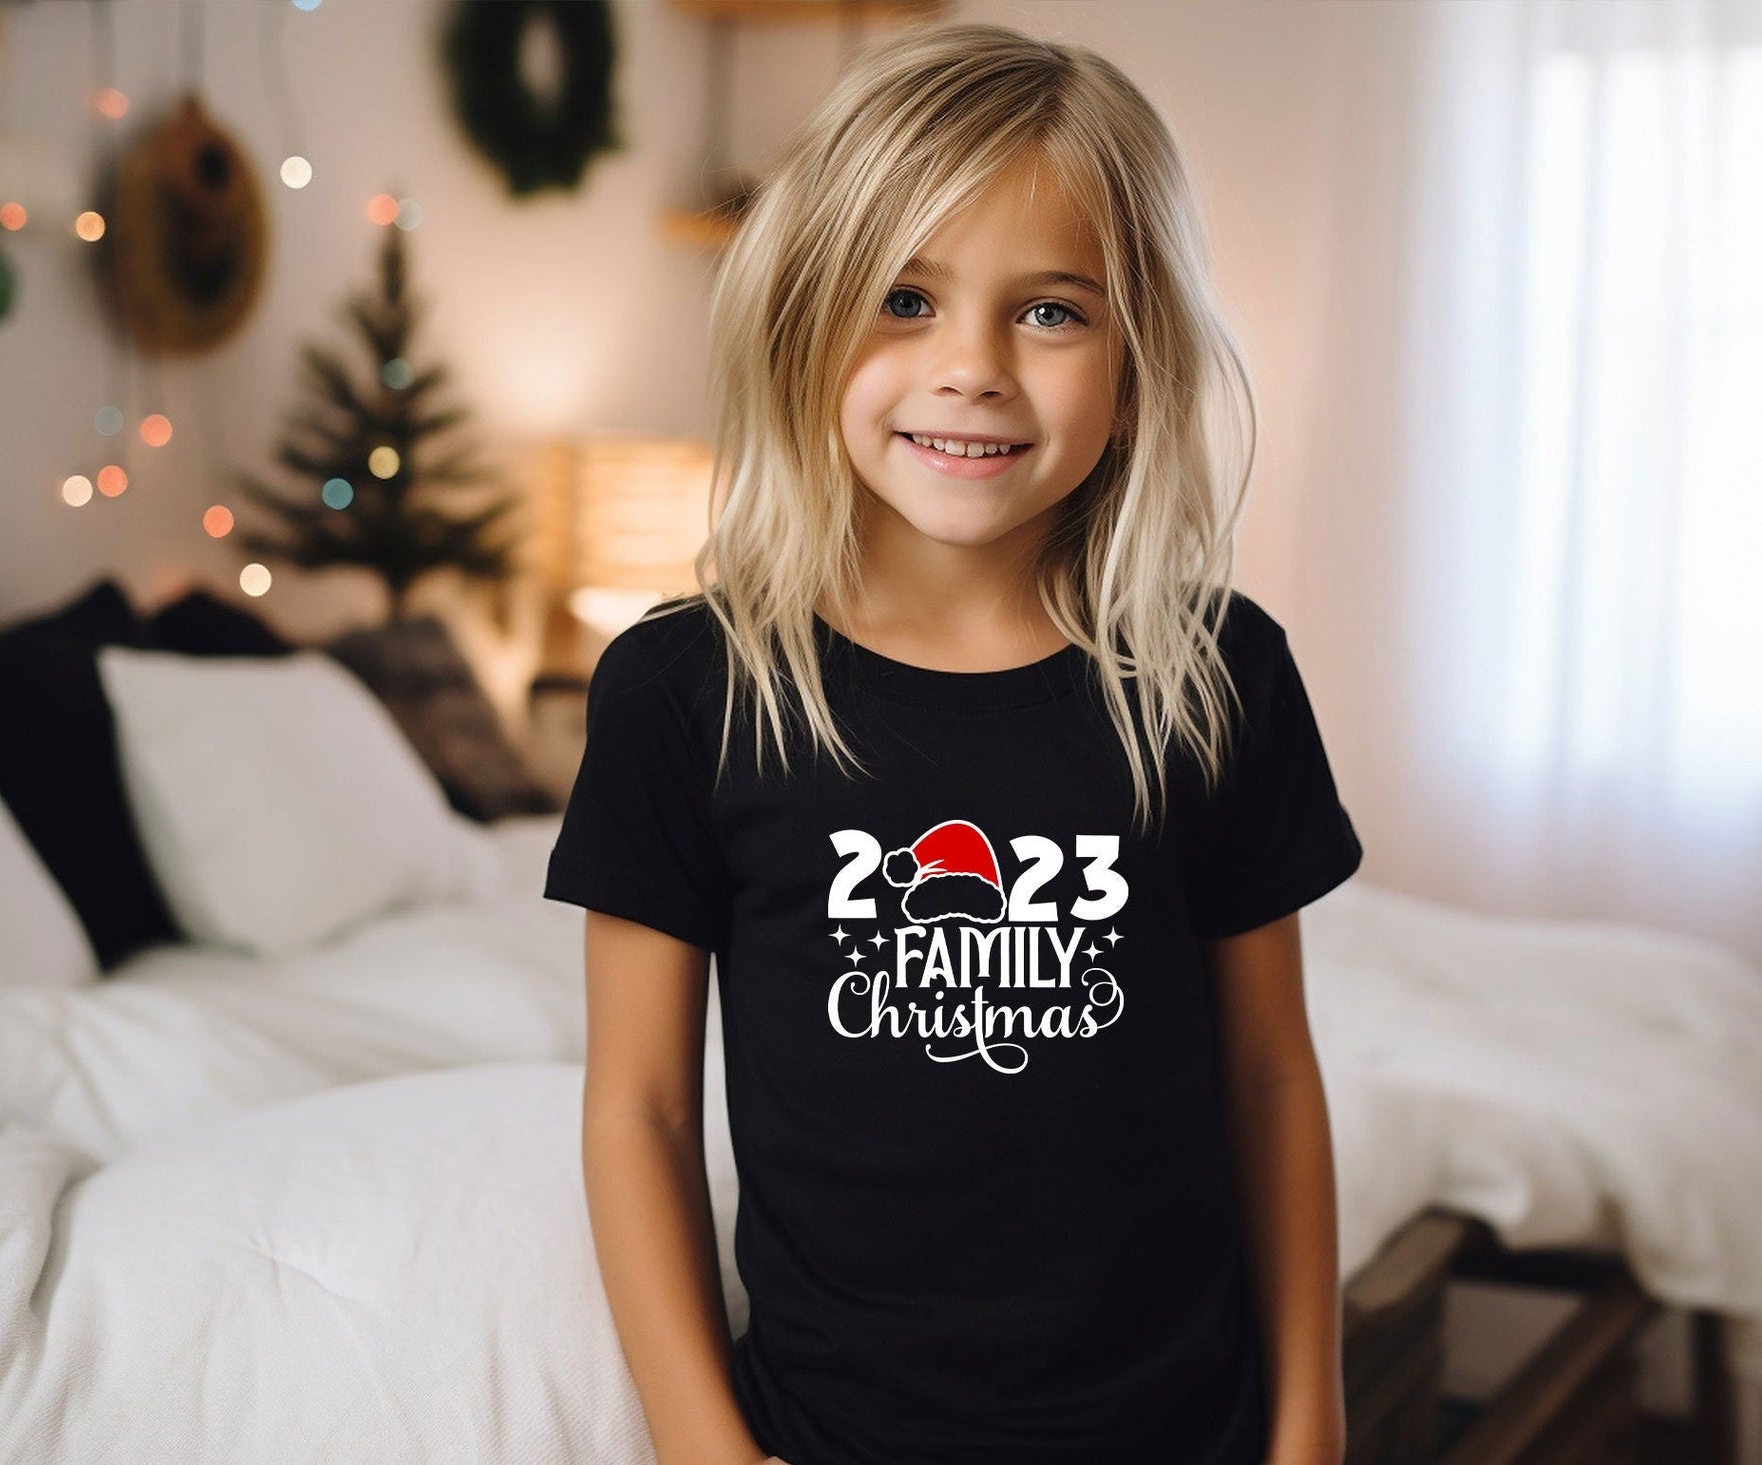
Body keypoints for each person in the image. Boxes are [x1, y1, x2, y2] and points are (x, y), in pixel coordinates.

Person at [544, 21, 1363, 1465]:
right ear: (804, 319)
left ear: (1139, 350)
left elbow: (1268, 1078)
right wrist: (702, 1448)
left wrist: (1309, 1427)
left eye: (1051, 311)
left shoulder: (1216, 673)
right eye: (904, 299)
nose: (972, 368)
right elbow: (642, 1106)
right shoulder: (683, 691)